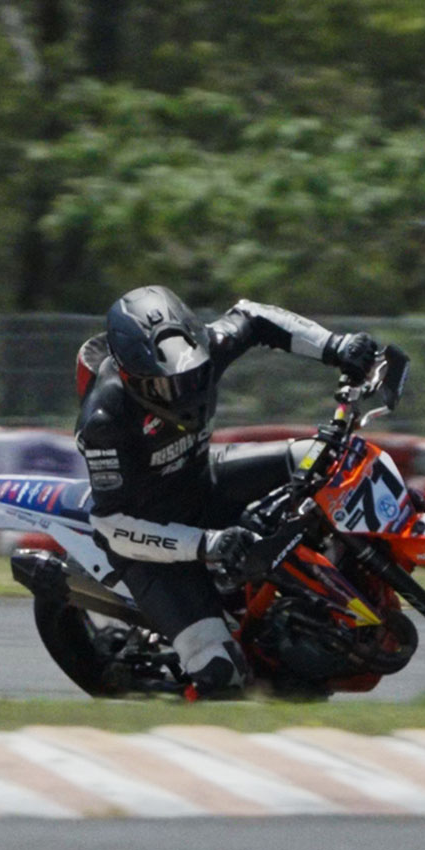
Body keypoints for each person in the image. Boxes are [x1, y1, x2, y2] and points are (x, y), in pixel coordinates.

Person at [74, 285, 378, 700]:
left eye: (192, 376)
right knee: (224, 677)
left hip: (202, 479)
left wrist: (335, 345)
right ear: (131, 378)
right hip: (153, 543)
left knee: (326, 457)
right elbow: (111, 526)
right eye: (165, 386)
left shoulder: (203, 349)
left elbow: (254, 317)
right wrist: (206, 544)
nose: (184, 391)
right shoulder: (104, 422)